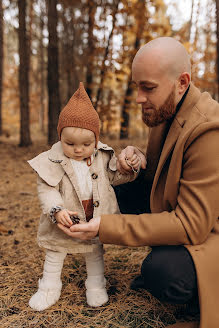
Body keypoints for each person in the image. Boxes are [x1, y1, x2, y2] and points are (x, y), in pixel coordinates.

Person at [58, 37, 219, 328]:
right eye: (137, 86)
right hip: (191, 219)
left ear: (182, 82)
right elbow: (168, 173)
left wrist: (105, 227)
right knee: (117, 191)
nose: (139, 98)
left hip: (209, 233)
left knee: (163, 271)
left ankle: (199, 303)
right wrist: (136, 160)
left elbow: (191, 225)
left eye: (149, 87)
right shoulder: (166, 110)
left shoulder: (209, 129)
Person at [27, 82, 142, 311]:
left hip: (94, 214)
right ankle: (49, 286)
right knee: (55, 250)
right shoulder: (52, 159)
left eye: (86, 144)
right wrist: (56, 210)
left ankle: (96, 284)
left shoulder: (101, 156)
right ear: (60, 137)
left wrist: (128, 169)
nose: (78, 149)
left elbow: (113, 178)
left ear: (96, 140)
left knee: (95, 250)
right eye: (70, 143)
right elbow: (46, 189)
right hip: (64, 215)